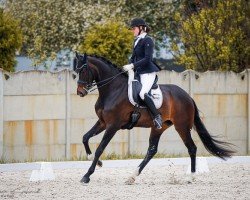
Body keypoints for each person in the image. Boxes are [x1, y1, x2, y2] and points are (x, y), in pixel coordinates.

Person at [123, 18, 162, 129]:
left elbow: (147, 59)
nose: (132, 31)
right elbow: (133, 57)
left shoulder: (148, 40)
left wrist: (133, 66)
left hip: (148, 72)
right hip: (139, 72)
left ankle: (157, 116)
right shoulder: (136, 41)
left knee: (142, 93)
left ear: (141, 28)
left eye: (134, 28)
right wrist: (129, 65)